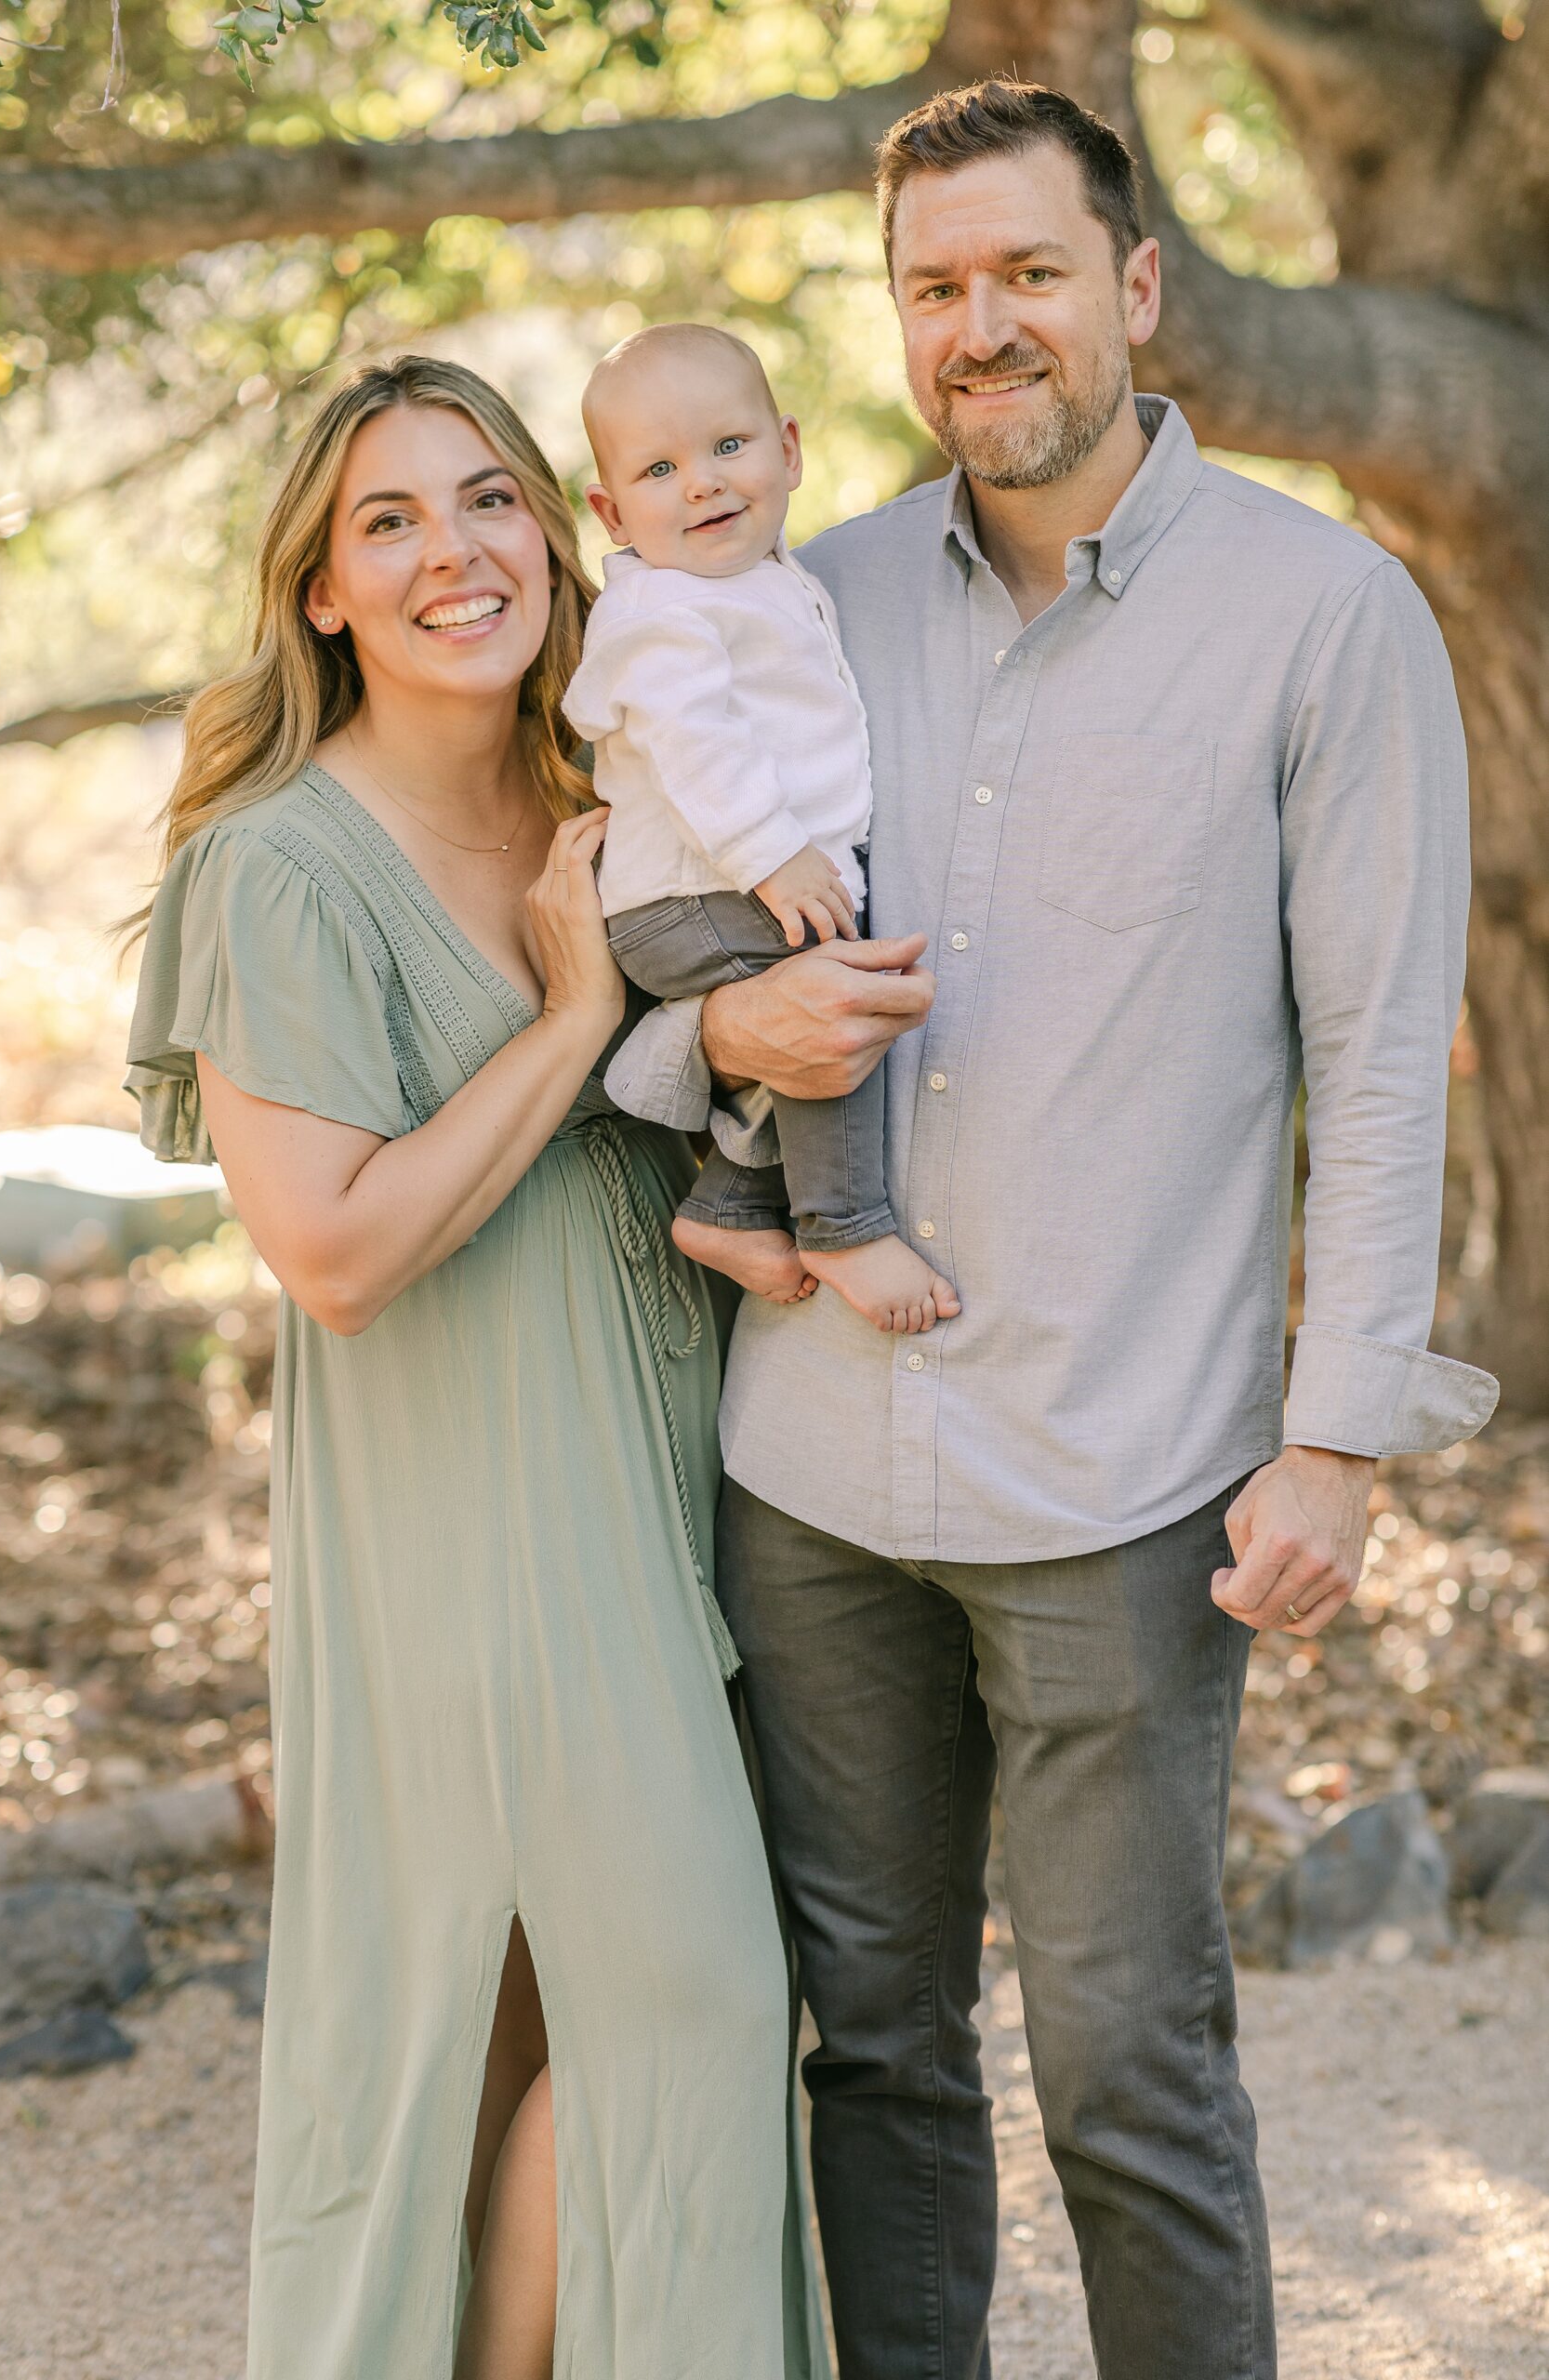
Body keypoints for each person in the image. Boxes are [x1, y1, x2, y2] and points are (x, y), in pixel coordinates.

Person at [607, 78, 1501, 2380]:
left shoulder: (1323, 617)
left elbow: (1380, 1055)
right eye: (930, 288)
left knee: (1130, 2078)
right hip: (808, 1469)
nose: (976, 326)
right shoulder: (789, 605)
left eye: (1020, 274)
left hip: (1120, 1476)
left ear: (1129, 287)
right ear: (889, 327)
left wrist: (1336, 1439)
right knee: (869, 2051)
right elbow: (655, 958)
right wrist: (731, 1046)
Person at [124, 355, 824, 2380]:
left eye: (491, 498)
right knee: (679, 2022)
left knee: (541, 2043)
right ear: (322, 590)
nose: (456, 552)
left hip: (684, 1492)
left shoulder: (623, 804)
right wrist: (574, 1011)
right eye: (391, 521)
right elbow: (332, 1249)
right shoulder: (278, 866)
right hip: (474, 1550)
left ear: (558, 525)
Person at [565, 320, 960, 1336]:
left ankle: (731, 1205)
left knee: (810, 1009)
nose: (701, 482)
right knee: (835, 1000)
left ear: (789, 451)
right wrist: (773, 854)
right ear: (611, 511)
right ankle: (844, 1225)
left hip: (740, 878)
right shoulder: (660, 613)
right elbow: (697, 740)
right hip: (698, 889)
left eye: (727, 447)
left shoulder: (770, 581)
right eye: (660, 468)